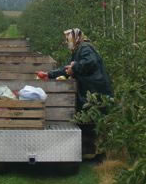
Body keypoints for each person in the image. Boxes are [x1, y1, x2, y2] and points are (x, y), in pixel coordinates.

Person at [37, 28, 112, 160]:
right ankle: (90, 152)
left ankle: (98, 155)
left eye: (68, 39)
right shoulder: (78, 50)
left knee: (93, 120)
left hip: (95, 90)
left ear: (75, 38)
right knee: (88, 120)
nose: (67, 42)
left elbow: (90, 62)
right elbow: (68, 69)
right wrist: (49, 74)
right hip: (89, 90)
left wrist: (75, 67)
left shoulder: (85, 48)